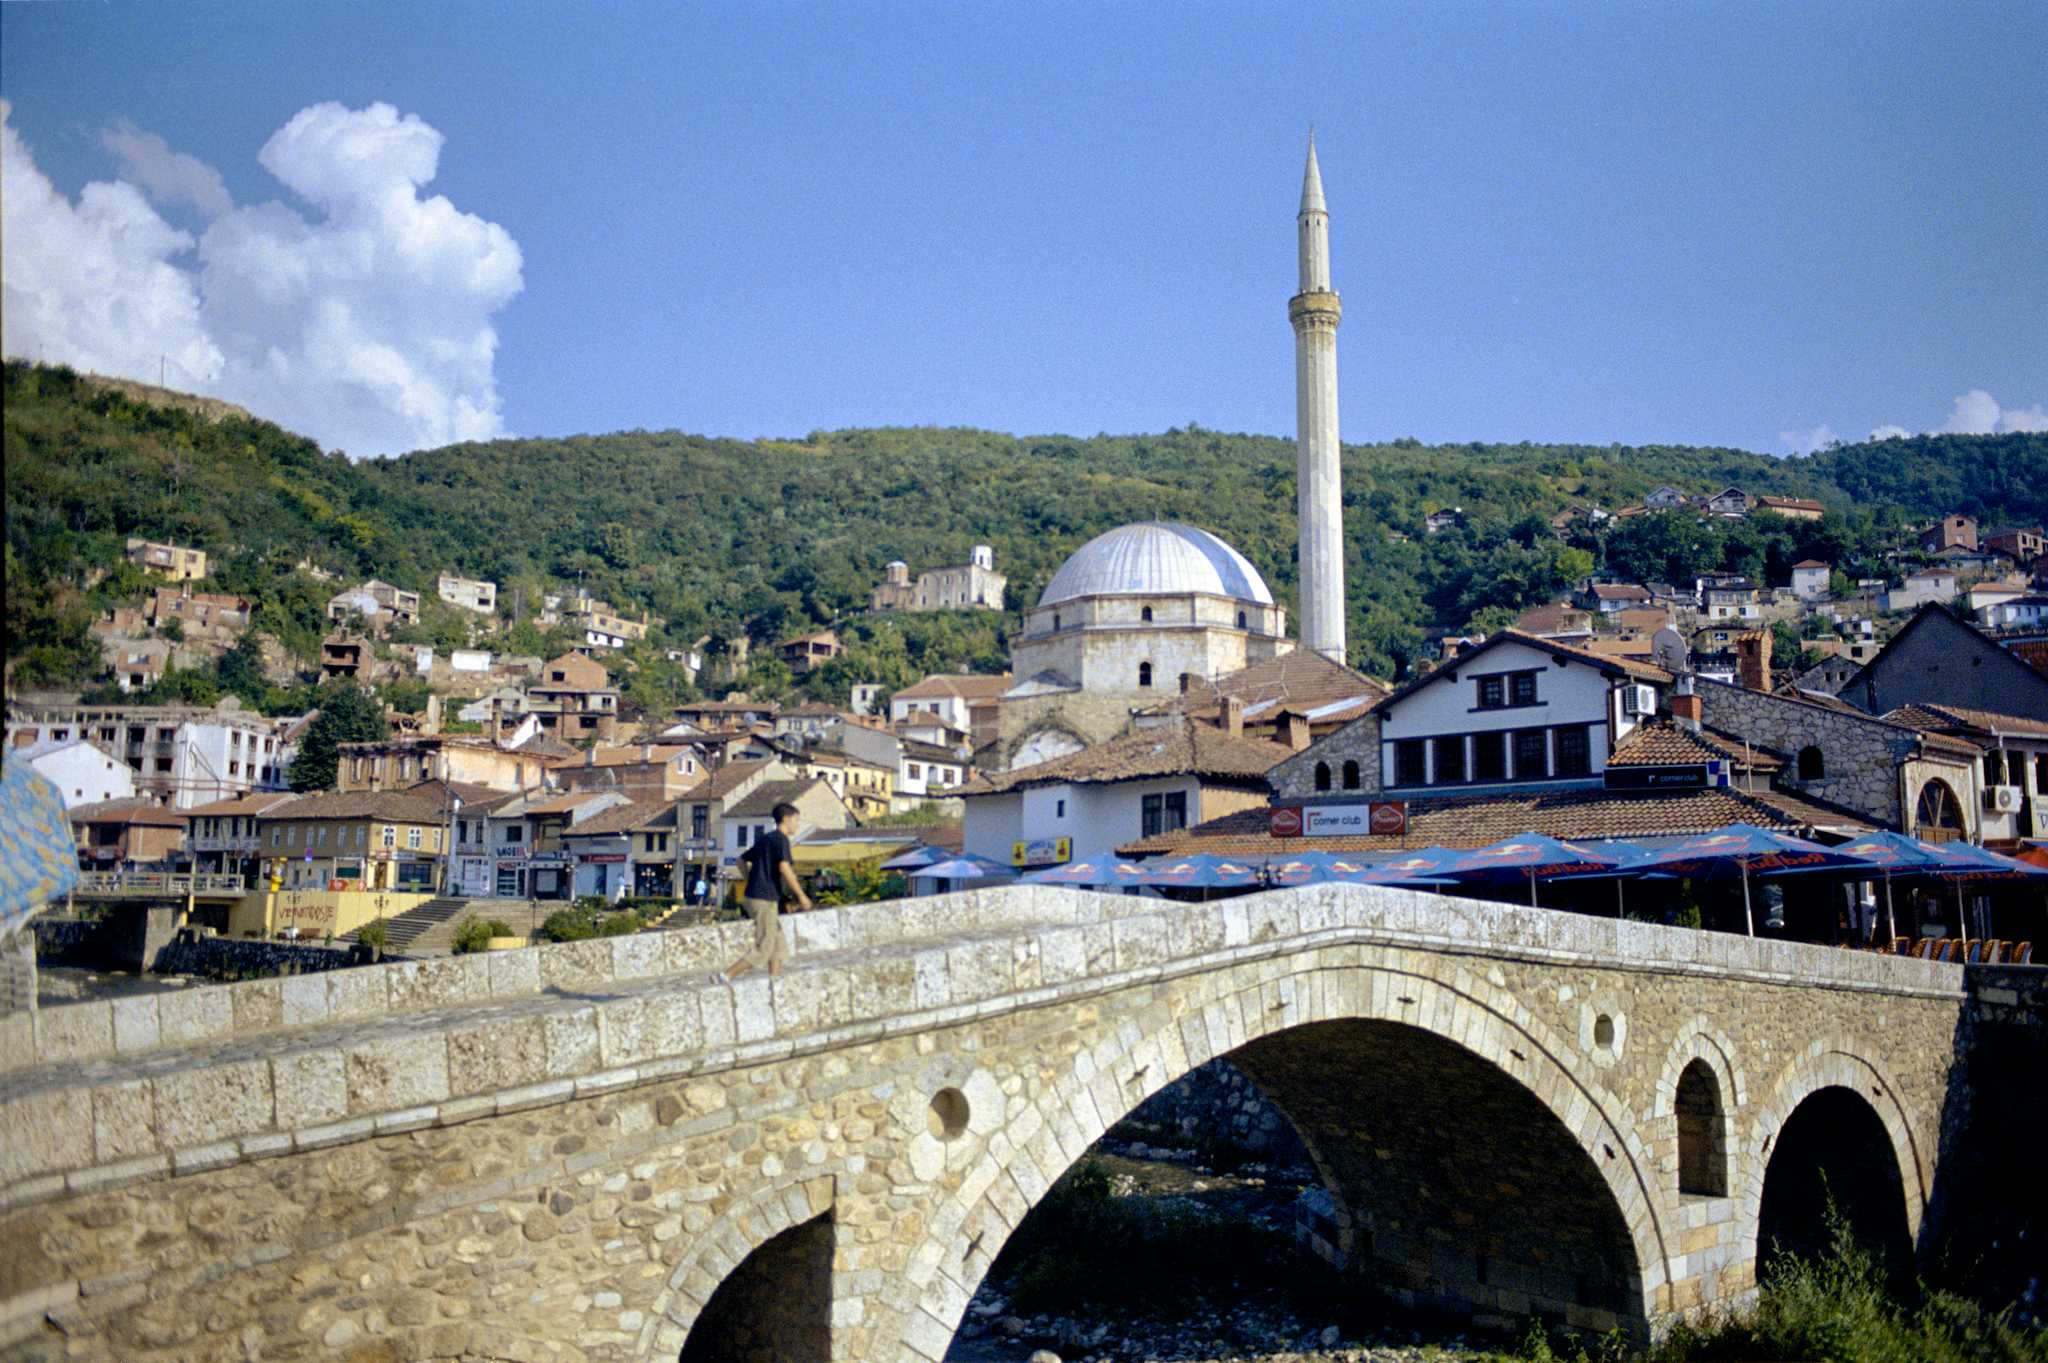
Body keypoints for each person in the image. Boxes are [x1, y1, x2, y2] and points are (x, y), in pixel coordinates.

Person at [713, 803, 810, 983]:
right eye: (796, 820)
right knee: (765, 945)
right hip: (763, 898)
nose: (797, 824)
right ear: (786, 819)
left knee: (777, 943)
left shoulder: (766, 839)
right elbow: (784, 867)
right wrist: (801, 895)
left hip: (761, 896)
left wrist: (751, 879)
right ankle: (726, 975)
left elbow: (740, 860)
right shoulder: (781, 840)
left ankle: (774, 981)